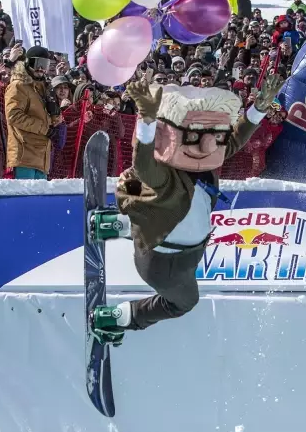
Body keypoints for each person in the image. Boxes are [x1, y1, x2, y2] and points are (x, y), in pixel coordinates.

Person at [90, 71, 284, 340]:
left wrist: (258, 108)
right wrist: (146, 120)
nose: (207, 143)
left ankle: (125, 224)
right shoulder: (164, 175)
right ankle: (123, 316)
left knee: (161, 211)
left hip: (187, 253)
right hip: (163, 260)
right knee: (183, 303)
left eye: (213, 135)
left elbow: (236, 139)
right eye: (194, 136)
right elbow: (143, 165)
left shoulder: (208, 161)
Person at [4, 46, 62, 180]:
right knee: (25, 198)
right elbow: (14, 116)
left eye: (45, 65)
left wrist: (56, 119)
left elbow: (44, 116)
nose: (41, 69)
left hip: (42, 157)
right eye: (38, 64)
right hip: (24, 155)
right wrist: (44, 129)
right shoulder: (19, 85)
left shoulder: (44, 87)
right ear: (28, 62)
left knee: (40, 199)